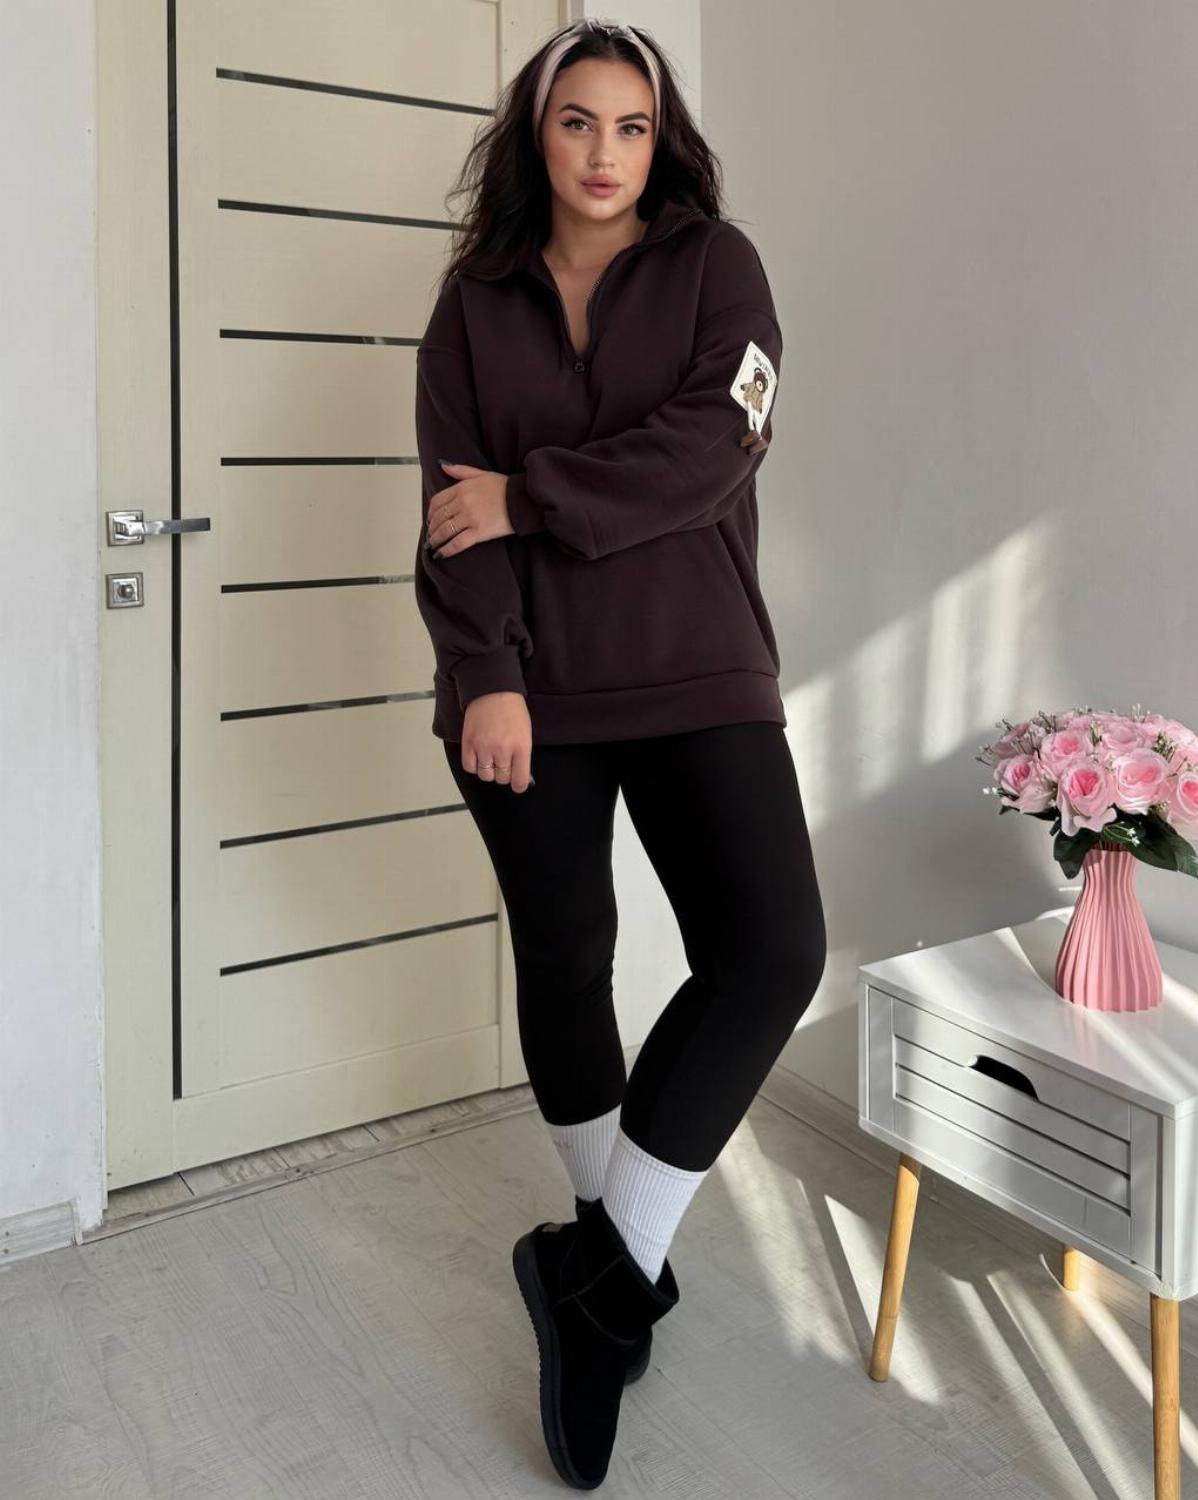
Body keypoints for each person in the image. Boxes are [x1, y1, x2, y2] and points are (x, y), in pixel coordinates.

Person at [413, 16, 827, 1490]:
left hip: (702, 667)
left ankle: (595, 1278)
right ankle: (616, 1257)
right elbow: (448, 511)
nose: (604, 152)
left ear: (663, 142)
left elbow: (717, 446)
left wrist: (531, 494)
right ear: (537, 137)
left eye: (631, 125)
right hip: (529, 689)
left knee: (770, 951)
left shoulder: (720, 266)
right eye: (576, 122)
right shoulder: (475, 302)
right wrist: (486, 677)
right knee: (568, 955)